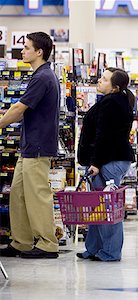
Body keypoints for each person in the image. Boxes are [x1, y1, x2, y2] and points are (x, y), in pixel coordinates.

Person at [0, 32, 60, 259]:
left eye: (26, 47)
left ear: (39, 52)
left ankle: (47, 243)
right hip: (29, 146)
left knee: (37, 195)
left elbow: (18, 109)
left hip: (37, 146)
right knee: (18, 194)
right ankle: (22, 241)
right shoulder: (41, 75)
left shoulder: (43, 77)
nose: (22, 51)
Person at [76, 67, 135, 262]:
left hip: (108, 161)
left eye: (104, 79)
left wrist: (96, 163)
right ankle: (93, 248)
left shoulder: (112, 103)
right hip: (107, 159)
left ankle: (110, 251)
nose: (99, 81)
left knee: (106, 207)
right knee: (97, 206)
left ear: (115, 87)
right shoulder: (115, 100)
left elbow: (105, 136)